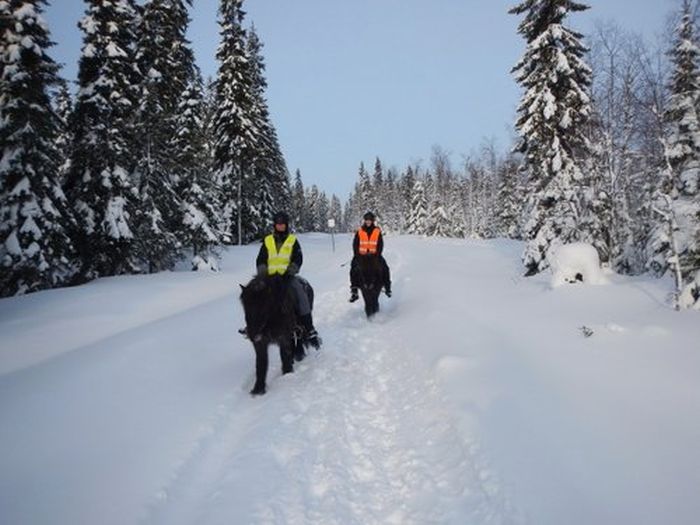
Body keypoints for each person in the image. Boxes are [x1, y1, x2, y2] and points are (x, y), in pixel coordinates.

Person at [245, 211, 320, 348]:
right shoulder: (268, 241)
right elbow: (261, 259)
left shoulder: (292, 240)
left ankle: (309, 329)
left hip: (287, 277)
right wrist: (263, 273)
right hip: (269, 278)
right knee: (253, 295)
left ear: (286, 225)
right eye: (278, 224)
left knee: (301, 293)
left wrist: (291, 270)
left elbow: (298, 258)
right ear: (275, 225)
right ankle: (252, 327)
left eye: (283, 224)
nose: (280, 226)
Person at [349, 211, 392, 302]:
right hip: (361, 255)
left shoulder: (377, 231)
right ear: (364, 221)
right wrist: (357, 255)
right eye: (367, 220)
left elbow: (380, 244)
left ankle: (387, 288)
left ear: (373, 221)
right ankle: (354, 291)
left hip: (374, 255)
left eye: (370, 220)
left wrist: (378, 254)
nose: (368, 222)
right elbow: (355, 244)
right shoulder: (360, 231)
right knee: (353, 268)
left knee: (385, 268)